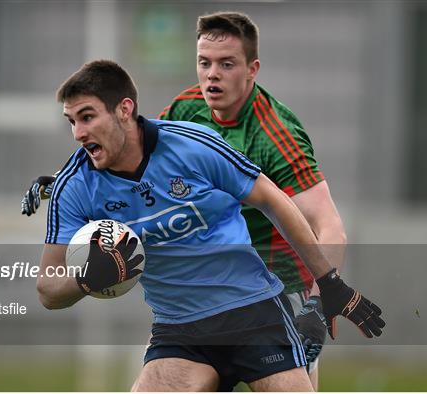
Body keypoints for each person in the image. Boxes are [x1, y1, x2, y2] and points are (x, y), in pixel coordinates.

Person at [21, 11, 343, 390]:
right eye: (71, 121)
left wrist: (325, 293)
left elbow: (299, 210)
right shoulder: (84, 180)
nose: (77, 133)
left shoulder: (263, 135)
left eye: (87, 117)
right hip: (180, 328)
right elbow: (48, 288)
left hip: (257, 303)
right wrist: (91, 276)